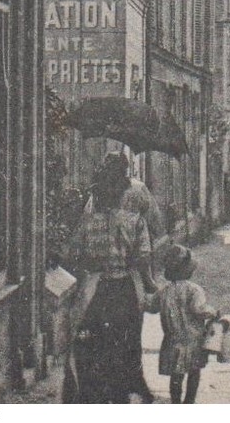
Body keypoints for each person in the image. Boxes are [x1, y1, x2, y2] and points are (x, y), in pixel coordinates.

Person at [65, 157, 156, 403]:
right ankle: (124, 390)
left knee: (92, 341)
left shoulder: (87, 221)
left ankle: (94, 392)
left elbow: (73, 253)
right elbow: (143, 258)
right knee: (127, 340)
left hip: (94, 288)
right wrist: (150, 285)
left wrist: (89, 265)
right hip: (125, 287)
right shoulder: (135, 220)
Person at [157, 245, 221, 404]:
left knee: (176, 375)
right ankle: (189, 402)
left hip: (172, 339)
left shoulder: (164, 291)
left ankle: (176, 402)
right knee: (194, 372)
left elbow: (150, 305)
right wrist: (213, 312)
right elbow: (199, 309)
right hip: (192, 340)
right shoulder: (194, 290)